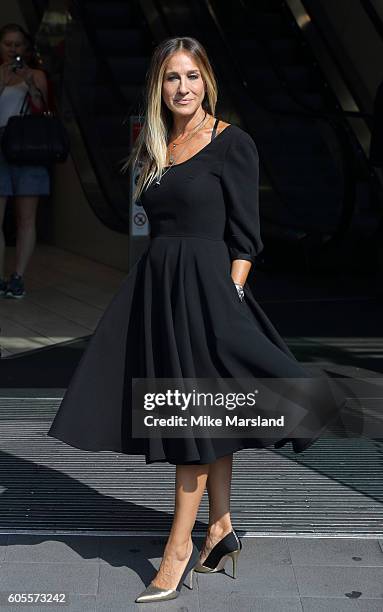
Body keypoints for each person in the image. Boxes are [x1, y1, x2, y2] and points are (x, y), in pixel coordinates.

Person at [47, 36, 340, 603]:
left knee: (192, 419)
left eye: (192, 77)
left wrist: (227, 297)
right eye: (171, 78)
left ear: (207, 80)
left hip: (208, 295)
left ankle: (178, 549)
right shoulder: (158, 145)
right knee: (206, 414)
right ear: (159, 86)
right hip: (160, 290)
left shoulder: (232, 143)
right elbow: (150, 226)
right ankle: (222, 528)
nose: (182, 88)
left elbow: (246, 238)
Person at [0, 23, 49, 299]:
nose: (13, 49)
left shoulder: (37, 75)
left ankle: (17, 276)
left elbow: (42, 108)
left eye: (18, 44)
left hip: (28, 147)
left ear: (26, 48)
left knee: (26, 217)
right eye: (8, 44)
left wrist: (30, 84)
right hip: (0, 147)